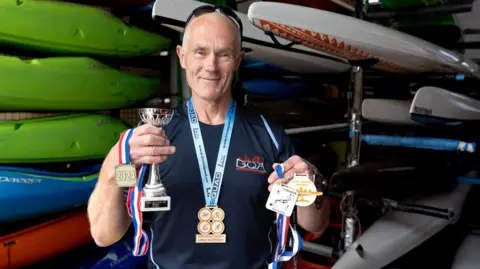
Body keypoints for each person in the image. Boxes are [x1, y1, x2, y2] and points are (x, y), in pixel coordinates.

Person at [87, 5, 329, 269]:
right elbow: (105, 234)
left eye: (223, 54)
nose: (210, 66)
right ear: (182, 56)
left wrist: (310, 184)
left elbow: (315, 223)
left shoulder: (269, 135)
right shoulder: (153, 138)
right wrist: (116, 164)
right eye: (200, 52)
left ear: (238, 59)